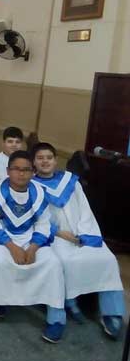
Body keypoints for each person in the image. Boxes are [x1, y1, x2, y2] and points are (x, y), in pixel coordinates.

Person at [32, 142, 125, 339]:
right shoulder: (32, 186)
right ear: (34, 162)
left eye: (49, 157)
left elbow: (84, 209)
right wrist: (59, 233)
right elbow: (35, 218)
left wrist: (84, 233)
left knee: (108, 260)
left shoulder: (70, 181)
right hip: (53, 237)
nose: (45, 161)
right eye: (40, 158)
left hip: (82, 233)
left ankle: (111, 313)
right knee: (60, 263)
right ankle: (61, 313)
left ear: (56, 160)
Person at [0, 150, 66, 343]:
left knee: (53, 264)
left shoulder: (39, 192)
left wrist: (33, 248)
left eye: (26, 170)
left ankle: (56, 319)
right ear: (7, 171)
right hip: (3, 238)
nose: (21, 173)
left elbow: (44, 224)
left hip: (31, 238)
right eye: (16, 169)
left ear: (33, 172)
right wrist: (12, 247)